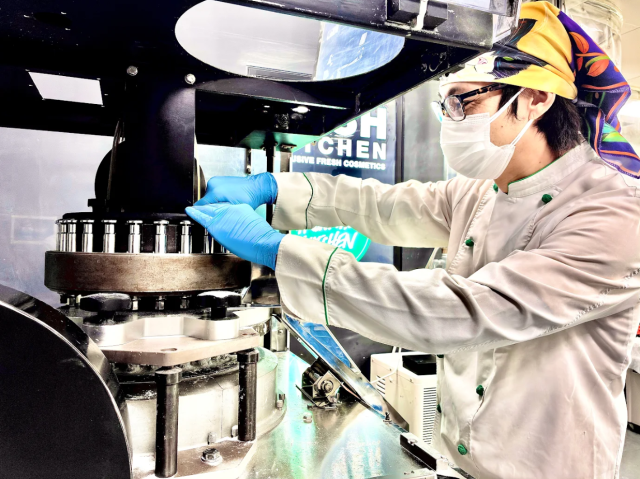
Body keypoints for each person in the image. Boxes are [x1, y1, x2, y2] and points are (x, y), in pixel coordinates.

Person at [186, 3, 640, 478]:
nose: (450, 120)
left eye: (464, 102)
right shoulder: (482, 190)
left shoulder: (615, 214)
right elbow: (382, 206)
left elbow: (459, 312)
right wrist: (276, 188)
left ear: (535, 99)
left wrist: (279, 251)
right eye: (445, 105)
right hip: (457, 458)